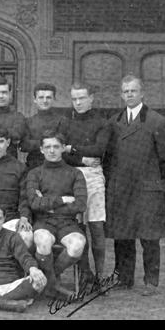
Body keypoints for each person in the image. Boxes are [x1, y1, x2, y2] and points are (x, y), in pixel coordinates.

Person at [104, 75, 165, 296]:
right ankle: (123, 278)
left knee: (149, 237)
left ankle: (150, 281)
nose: (129, 95)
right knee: (123, 235)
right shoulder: (114, 121)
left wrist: (154, 180)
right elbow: (108, 157)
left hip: (147, 187)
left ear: (142, 93)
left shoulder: (156, 121)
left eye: (133, 91)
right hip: (122, 187)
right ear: (121, 94)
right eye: (125, 92)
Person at [26, 130, 87, 298]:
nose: (52, 151)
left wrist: (49, 204)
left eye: (56, 146)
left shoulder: (75, 173)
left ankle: (47, 280)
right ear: (41, 149)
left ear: (63, 149)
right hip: (43, 222)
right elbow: (34, 203)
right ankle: (54, 285)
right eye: (48, 147)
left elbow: (80, 204)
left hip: (68, 223)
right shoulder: (34, 173)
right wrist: (63, 199)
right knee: (43, 242)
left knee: (77, 246)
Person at [63, 82, 111, 288]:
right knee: (77, 227)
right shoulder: (66, 123)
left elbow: (99, 149)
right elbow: (61, 154)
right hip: (72, 176)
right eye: (74, 99)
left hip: (93, 178)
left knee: (96, 226)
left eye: (82, 98)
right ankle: (85, 274)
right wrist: (81, 157)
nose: (78, 102)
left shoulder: (102, 123)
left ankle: (100, 276)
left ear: (91, 98)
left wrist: (72, 148)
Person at [20, 83, 68, 171]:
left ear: (54, 99)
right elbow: (24, 146)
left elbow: (62, 144)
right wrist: (49, 142)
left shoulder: (62, 121)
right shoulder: (28, 121)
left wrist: (35, 143)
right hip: (33, 166)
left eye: (48, 97)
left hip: (56, 167)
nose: (45, 101)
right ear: (35, 99)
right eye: (41, 97)